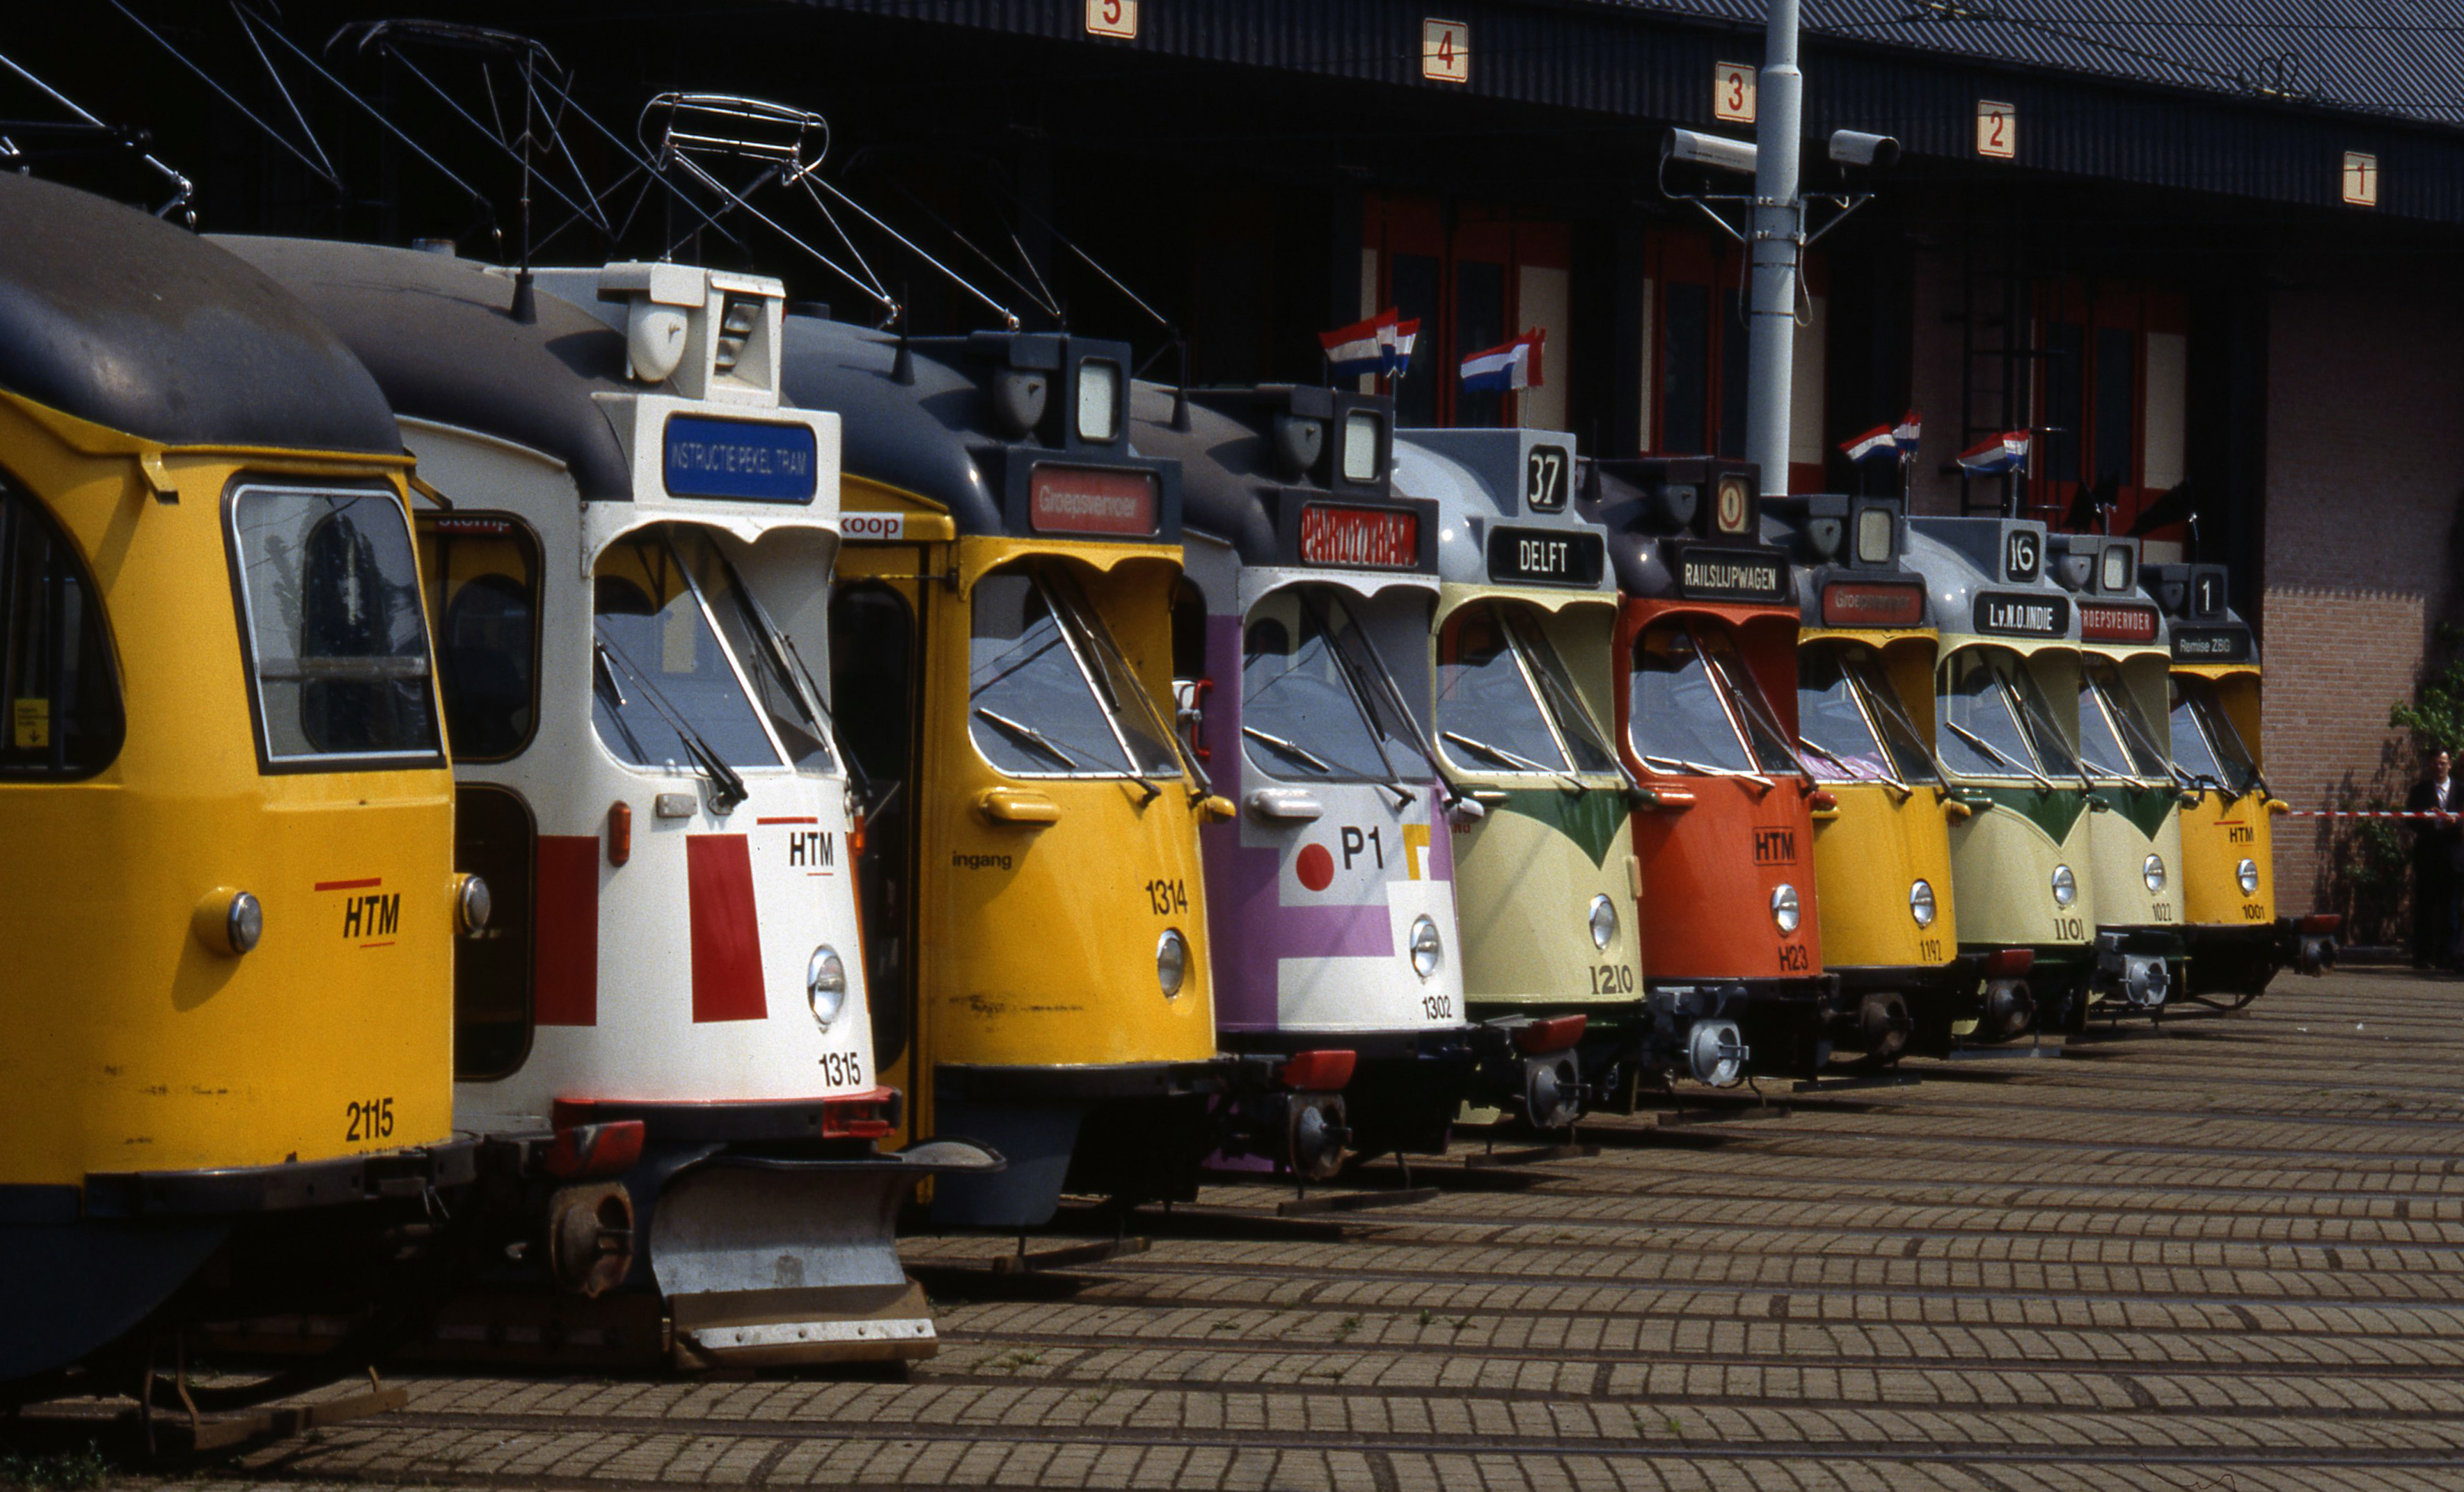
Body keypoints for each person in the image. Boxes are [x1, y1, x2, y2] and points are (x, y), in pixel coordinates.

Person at [2405, 747, 2463, 969]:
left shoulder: (2460, 789)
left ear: (2449, 765)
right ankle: (2422, 956)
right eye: (2434, 764)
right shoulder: (2419, 791)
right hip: (2428, 855)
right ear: (2429, 766)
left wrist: (2455, 822)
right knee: (2425, 909)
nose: (2438, 767)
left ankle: (2448, 955)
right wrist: (2427, 820)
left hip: (2452, 857)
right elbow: (2409, 820)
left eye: (2442, 763)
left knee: (2451, 909)